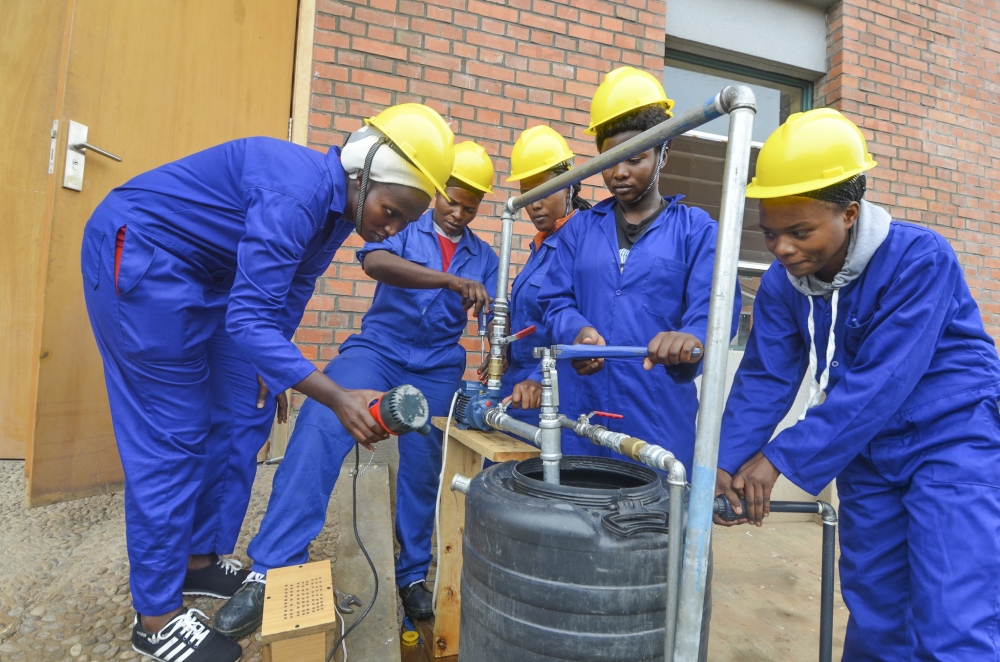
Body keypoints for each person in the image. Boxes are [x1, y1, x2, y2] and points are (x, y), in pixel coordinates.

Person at [81, 103, 455, 662]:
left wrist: (273, 365)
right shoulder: (297, 190)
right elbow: (251, 318)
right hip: (146, 257)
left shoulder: (337, 212)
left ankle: (198, 561)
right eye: (391, 210)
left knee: (245, 407)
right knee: (175, 436)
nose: (391, 227)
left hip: (211, 278)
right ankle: (155, 619)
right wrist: (331, 395)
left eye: (404, 222)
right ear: (366, 172)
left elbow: (293, 289)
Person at [714, 108, 1000, 659]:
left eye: (800, 232)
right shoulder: (784, 283)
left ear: (849, 213)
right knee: (875, 615)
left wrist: (776, 459)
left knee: (952, 618)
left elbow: (881, 384)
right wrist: (724, 462)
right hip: (866, 452)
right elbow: (766, 377)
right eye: (770, 233)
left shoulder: (920, 259)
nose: (782, 249)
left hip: (951, 442)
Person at [216, 142, 499, 634]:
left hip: (437, 366)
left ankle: (413, 574)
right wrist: (449, 282)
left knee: (425, 466)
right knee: (322, 419)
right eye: (452, 198)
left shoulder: (485, 256)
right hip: (379, 350)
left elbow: (491, 321)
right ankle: (270, 570)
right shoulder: (403, 224)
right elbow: (374, 264)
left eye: (471, 206)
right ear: (435, 194)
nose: (458, 211)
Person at [540, 66, 740, 472]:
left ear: (664, 154)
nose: (620, 173)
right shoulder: (579, 229)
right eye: (611, 160)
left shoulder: (697, 231)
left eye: (636, 158)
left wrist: (689, 339)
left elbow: (715, 310)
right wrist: (575, 331)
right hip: (584, 419)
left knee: (656, 530)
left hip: (659, 423)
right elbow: (554, 300)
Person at [496, 126, 591, 448]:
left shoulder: (582, 245)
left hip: (550, 391)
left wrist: (538, 380)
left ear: (570, 187)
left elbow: (583, 328)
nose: (534, 204)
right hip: (517, 385)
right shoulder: (542, 245)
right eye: (527, 194)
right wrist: (503, 353)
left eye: (545, 191)